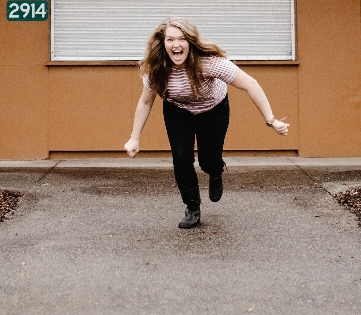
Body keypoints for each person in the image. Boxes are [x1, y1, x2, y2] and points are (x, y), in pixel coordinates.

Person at [124, 17, 291, 229]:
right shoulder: (158, 68)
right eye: (170, 39)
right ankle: (192, 208)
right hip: (178, 110)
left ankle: (215, 171)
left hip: (213, 109)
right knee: (182, 158)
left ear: (191, 41)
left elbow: (250, 83)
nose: (176, 45)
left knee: (208, 160)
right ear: (162, 42)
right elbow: (146, 102)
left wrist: (271, 120)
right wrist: (134, 137)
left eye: (182, 39)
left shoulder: (208, 63)